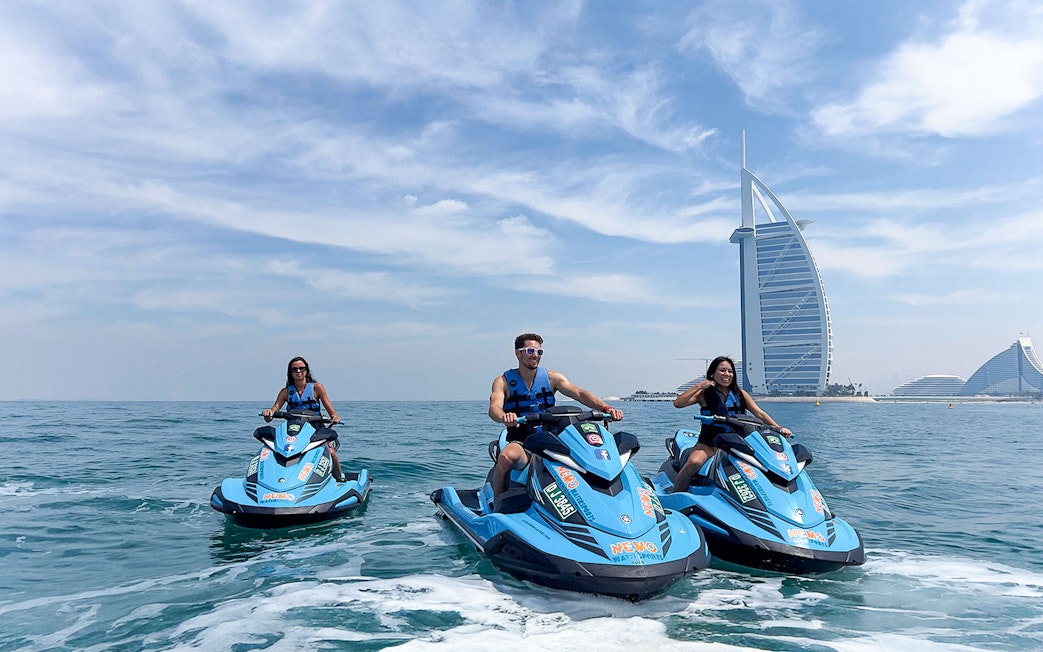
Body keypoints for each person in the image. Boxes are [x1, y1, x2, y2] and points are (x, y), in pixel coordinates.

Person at [488, 333, 624, 503]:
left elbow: (580, 393)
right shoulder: (503, 381)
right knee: (505, 457)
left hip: (552, 441)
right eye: (530, 351)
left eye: (539, 352)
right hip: (523, 443)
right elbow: (494, 408)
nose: (535, 355)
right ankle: (499, 506)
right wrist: (504, 416)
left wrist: (606, 408)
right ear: (518, 353)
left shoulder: (552, 378)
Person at [671, 355, 791, 493]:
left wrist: (779, 428)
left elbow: (760, 414)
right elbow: (678, 403)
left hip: (737, 444)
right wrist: (699, 386)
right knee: (693, 463)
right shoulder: (704, 394)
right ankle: (676, 495)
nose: (727, 374)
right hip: (710, 444)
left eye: (730, 371)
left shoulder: (740, 394)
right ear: (712, 374)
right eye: (722, 370)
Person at [261, 356, 346, 482]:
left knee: (331, 452)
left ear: (306, 370)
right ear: (290, 372)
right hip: (293, 432)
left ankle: (339, 479)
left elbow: (332, 413)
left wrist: (335, 417)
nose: (298, 371)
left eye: (301, 368)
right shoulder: (285, 392)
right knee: (278, 453)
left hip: (315, 431)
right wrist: (268, 413)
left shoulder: (317, 388)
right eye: (294, 369)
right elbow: (273, 412)